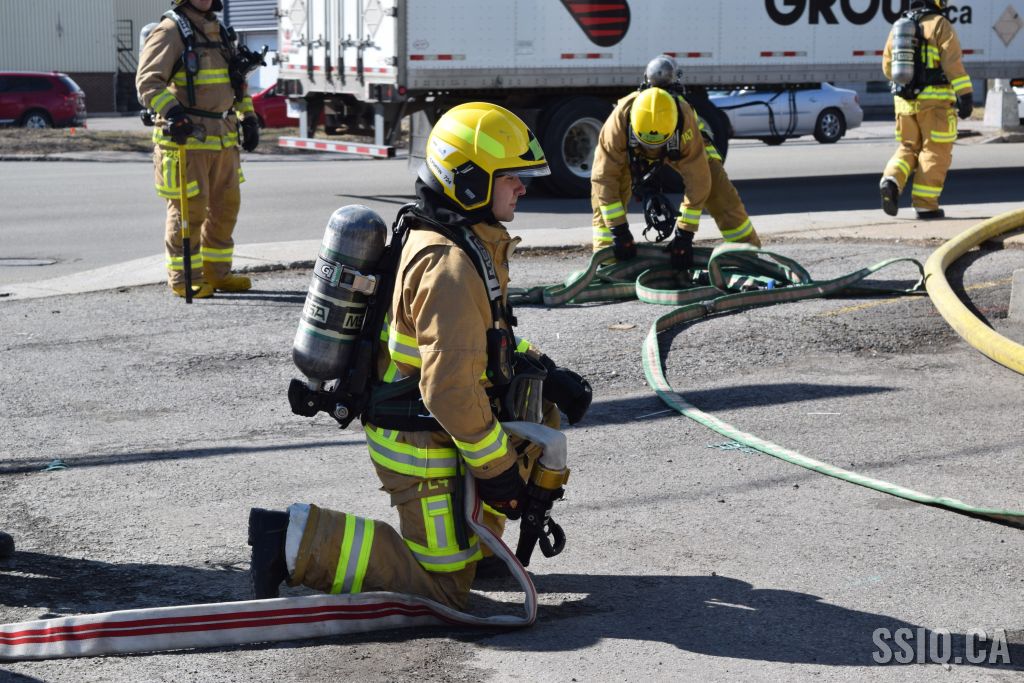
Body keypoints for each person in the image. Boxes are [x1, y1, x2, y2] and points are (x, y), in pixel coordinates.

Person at [248, 103, 591, 610]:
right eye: (512, 177)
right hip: (417, 440)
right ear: (469, 182)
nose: (523, 188)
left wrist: (545, 370)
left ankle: (475, 545)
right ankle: (292, 542)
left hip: (433, 419)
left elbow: (482, 341)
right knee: (447, 589)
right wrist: (499, 474)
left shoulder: (465, 239)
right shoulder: (448, 266)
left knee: (535, 403)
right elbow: (450, 390)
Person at [136, 0, 260, 299]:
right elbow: (148, 82)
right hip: (186, 142)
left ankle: (217, 273)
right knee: (189, 212)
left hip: (223, 139)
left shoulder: (220, 32)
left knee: (225, 209)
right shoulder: (170, 31)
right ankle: (184, 279)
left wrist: (248, 116)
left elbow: (237, 83)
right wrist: (174, 113)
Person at [591, 58, 761, 273]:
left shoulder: (684, 119)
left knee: (720, 192)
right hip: (632, 154)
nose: (652, 150)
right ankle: (607, 263)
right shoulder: (618, 122)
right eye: (647, 143)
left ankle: (748, 256)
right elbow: (604, 178)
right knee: (605, 196)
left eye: (657, 145)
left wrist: (684, 235)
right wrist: (619, 231)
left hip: (684, 149)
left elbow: (698, 181)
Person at [879, 0, 973, 220]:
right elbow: (952, 63)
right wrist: (965, 95)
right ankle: (925, 205)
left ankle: (891, 180)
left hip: (904, 103)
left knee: (908, 147)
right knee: (935, 151)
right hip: (934, 104)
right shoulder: (940, 24)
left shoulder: (900, 25)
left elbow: (887, 67)